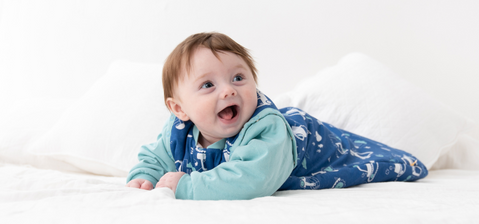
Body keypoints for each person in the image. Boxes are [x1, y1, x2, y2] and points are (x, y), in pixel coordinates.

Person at [126, 32, 428, 200]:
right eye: (208, 85)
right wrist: (144, 176)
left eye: (238, 78)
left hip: (307, 142)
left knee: (356, 155)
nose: (228, 91)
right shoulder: (179, 130)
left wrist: (186, 186)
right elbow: (156, 156)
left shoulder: (265, 127)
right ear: (180, 109)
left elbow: (253, 179)